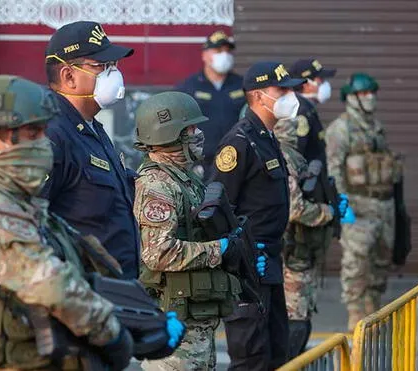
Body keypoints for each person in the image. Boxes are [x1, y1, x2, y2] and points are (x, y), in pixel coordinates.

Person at [0, 75, 134, 371]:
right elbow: (50, 285)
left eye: (44, 132)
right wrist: (112, 333)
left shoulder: (23, 203)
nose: (44, 144)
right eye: (33, 133)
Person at [133, 91, 245, 371]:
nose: (198, 134)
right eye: (190, 129)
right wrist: (218, 249)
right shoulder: (157, 185)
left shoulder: (185, 179)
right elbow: (158, 253)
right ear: (170, 135)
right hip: (175, 324)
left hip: (196, 320)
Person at [210, 61, 305, 370]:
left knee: (277, 351)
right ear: (260, 96)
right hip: (249, 267)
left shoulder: (266, 137)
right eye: (283, 90)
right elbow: (218, 208)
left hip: (271, 261)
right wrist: (238, 256)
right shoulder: (239, 142)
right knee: (251, 356)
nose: (291, 96)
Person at [41, 21, 140, 279]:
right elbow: (31, 224)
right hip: (85, 296)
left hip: (116, 291)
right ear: (68, 76)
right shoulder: (51, 134)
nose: (113, 73)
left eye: (114, 65)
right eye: (101, 66)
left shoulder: (90, 126)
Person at [326, 73, 400, 331]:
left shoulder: (376, 127)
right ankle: (355, 314)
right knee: (356, 263)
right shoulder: (341, 128)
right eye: (364, 93)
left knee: (381, 260)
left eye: (372, 92)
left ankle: (373, 310)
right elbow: (333, 170)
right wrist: (342, 204)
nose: (370, 97)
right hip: (358, 206)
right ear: (352, 97)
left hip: (383, 206)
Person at [273, 117, 352, 358]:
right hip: (289, 250)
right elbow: (294, 209)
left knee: (300, 314)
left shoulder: (288, 155)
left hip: (297, 249)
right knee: (295, 314)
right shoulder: (283, 157)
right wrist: (327, 213)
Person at [176, 30, 245, 176]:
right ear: (204, 55)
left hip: (236, 159)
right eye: (218, 51)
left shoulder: (241, 85)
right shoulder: (190, 86)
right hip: (201, 163)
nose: (224, 55)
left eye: (227, 51)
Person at [288, 59, 337, 165]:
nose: (325, 84)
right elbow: (297, 154)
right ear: (306, 84)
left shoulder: (308, 109)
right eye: (321, 80)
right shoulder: (300, 112)